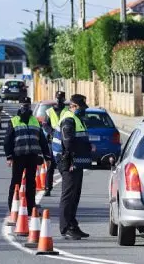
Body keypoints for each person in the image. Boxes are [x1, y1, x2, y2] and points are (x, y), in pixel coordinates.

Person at [5, 97, 51, 215]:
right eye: (23, 105)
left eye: (27, 105)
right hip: (18, 156)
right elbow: (8, 140)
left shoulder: (35, 121)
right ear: (20, 106)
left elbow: (42, 140)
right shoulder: (14, 120)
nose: (25, 107)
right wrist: (9, 156)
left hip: (32, 156)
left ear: (30, 106)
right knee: (16, 182)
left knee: (31, 183)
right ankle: (13, 208)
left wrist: (47, 156)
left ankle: (31, 208)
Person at [58, 94, 93, 240]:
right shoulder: (68, 119)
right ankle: (66, 227)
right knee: (68, 196)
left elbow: (77, 139)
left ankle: (73, 225)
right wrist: (71, 161)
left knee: (75, 195)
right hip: (69, 162)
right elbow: (67, 142)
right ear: (73, 106)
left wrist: (88, 146)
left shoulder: (76, 118)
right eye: (80, 107)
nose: (83, 110)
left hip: (76, 161)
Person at [41, 90, 67, 197]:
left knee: (63, 166)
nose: (59, 100)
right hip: (53, 142)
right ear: (55, 98)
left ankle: (64, 190)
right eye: (57, 98)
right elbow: (45, 125)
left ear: (64, 99)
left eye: (61, 98)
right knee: (50, 166)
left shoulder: (67, 110)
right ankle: (48, 188)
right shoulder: (49, 111)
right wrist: (52, 132)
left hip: (64, 142)